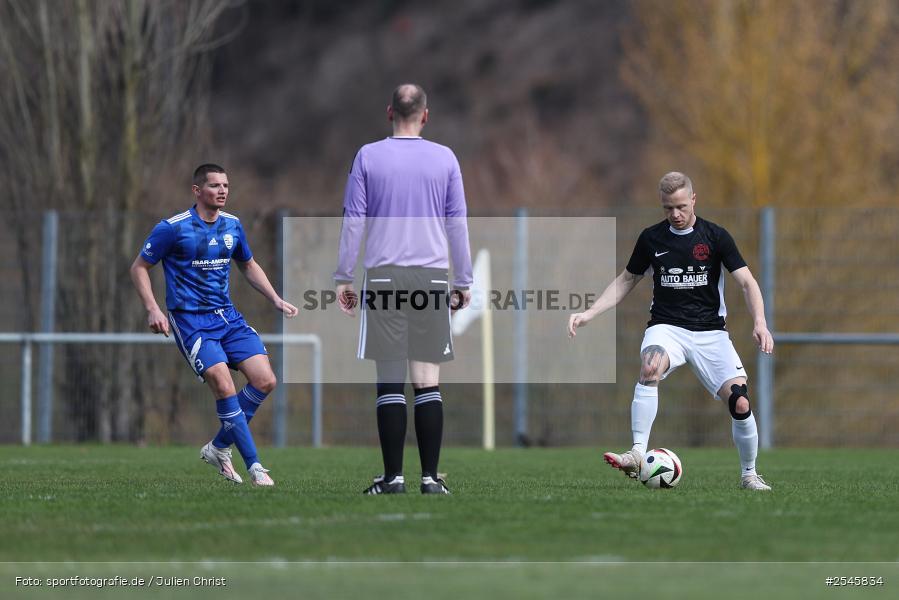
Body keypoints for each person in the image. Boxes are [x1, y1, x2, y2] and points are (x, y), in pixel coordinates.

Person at [567, 172, 774, 490]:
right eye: (667, 208)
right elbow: (626, 280)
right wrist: (590, 313)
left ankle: (749, 474)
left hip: (711, 333)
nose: (675, 214)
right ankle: (637, 453)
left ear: (693, 199)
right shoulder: (652, 239)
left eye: (680, 206)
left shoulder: (715, 237)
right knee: (651, 365)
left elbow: (747, 282)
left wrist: (760, 321)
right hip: (667, 327)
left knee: (740, 403)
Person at [334, 83, 473, 495]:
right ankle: (431, 479)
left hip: (384, 277)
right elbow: (457, 223)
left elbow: (353, 220)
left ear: (389, 111)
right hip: (430, 278)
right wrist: (463, 280)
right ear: (425, 116)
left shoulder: (368, 156)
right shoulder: (444, 158)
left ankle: (393, 478)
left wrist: (343, 275)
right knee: (427, 379)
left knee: (390, 378)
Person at [130, 163, 298, 486]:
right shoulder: (173, 228)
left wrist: (275, 298)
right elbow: (139, 267)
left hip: (227, 317)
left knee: (265, 380)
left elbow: (247, 265)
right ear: (197, 191)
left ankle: (219, 446)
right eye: (214, 186)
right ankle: (255, 467)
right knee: (223, 383)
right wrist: (153, 308)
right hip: (190, 321)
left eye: (226, 185)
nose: (222, 191)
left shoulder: (233, 226)